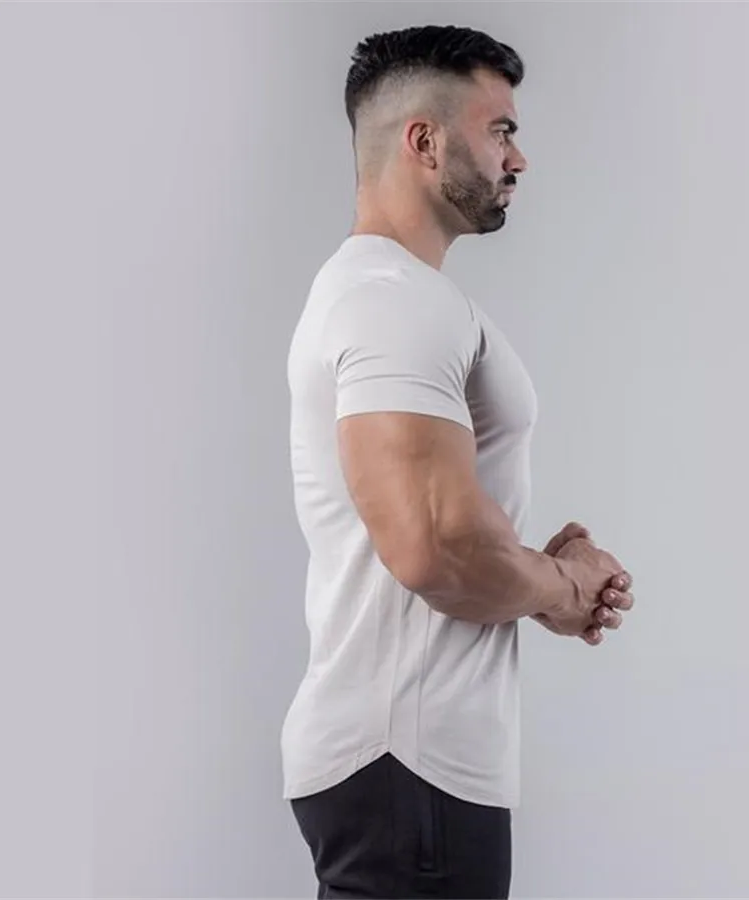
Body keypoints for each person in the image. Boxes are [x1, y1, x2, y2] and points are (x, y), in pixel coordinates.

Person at [281, 24, 635, 900]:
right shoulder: (391, 302)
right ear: (425, 142)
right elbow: (435, 548)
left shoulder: (396, 296)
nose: (519, 158)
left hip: (412, 772)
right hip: (408, 767)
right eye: (500, 130)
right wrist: (561, 585)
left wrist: (529, 574)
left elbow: (445, 534)